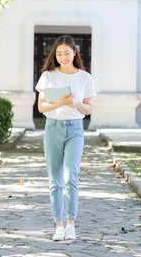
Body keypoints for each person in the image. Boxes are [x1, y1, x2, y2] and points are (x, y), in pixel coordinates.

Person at [35, 35, 96, 241]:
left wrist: (76, 103)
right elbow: (41, 107)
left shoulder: (85, 78)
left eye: (67, 53)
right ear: (55, 55)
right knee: (55, 179)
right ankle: (58, 225)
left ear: (74, 53)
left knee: (71, 176)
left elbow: (87, 109)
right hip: (53, 127)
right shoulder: (48, 76)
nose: (63, 57)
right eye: (59, 53)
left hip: (75, 129)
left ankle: (71, 224)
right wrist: (60, 102)